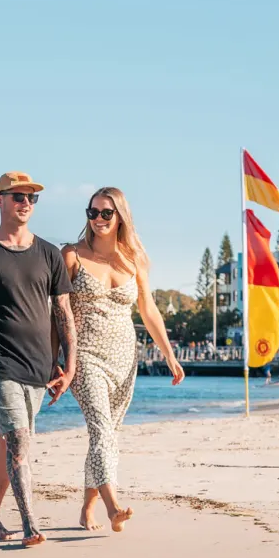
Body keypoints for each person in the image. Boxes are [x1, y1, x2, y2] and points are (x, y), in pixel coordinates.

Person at [0, 171, 76, 548]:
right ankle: (31, 523)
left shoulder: (50, 254)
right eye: (17, 196)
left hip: (39, 367)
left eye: (31, 198)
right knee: (20, 440)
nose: (25, 203)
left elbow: (63, 313)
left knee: (9, 442)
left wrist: (70, 365)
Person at [61, 187, 184, 532]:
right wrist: (55, 358)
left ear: (120, 217)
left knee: (108, 434)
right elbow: (57, 311)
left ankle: (87, 508)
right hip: (85, 355)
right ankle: (115, 507)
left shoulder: (133, 260)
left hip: (124, 357)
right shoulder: (71, 255)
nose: (98, 219)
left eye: (105, 213)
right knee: (101, 429)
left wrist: (169, 355)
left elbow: (148, 310)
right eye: (92, 212)